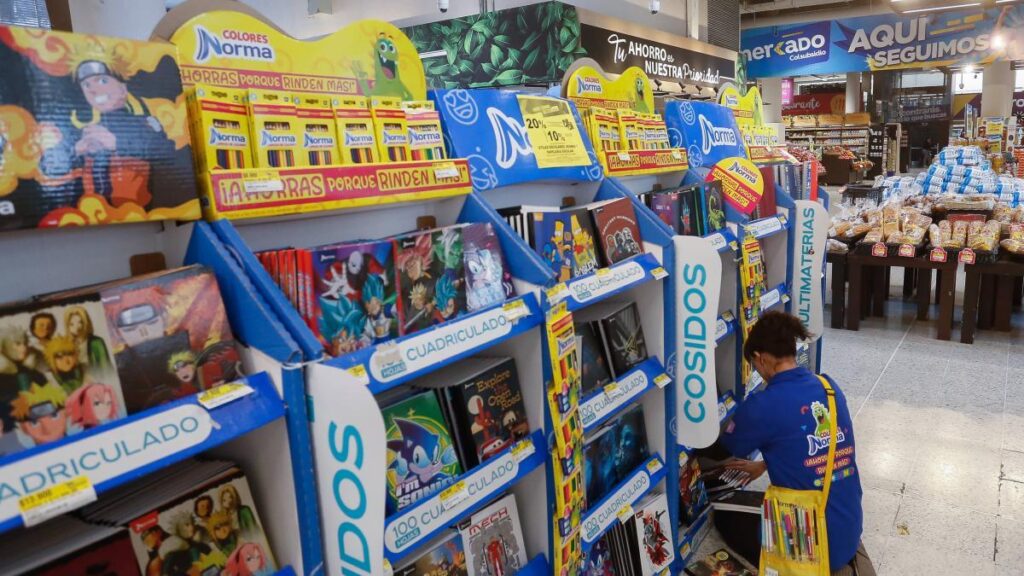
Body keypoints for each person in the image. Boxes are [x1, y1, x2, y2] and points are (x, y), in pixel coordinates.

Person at [719, 311, 873, 576]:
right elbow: (814, 444)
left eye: (754, 366)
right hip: (849, 529)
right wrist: (765, 464)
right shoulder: (829, 387)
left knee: (726, 519)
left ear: (760, 358)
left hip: (813, 548)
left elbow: (728, 447)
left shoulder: (763, 405)